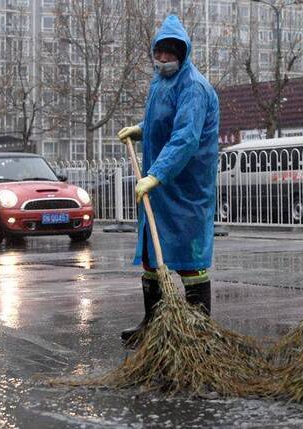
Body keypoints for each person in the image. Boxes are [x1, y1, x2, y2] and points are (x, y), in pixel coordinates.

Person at [117, 15, 220, 343]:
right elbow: (163, 122)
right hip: (160, 185)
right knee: (151, 254)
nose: (163, 59)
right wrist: (141, 129)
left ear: (183, 52)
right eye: (159, 52)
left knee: (190, 259)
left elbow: (185, 137)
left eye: (170, 53)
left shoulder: (194, 86)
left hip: (186, 187)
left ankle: (199, 332)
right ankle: (153, 325)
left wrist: (156, 175)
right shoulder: (160, 82)